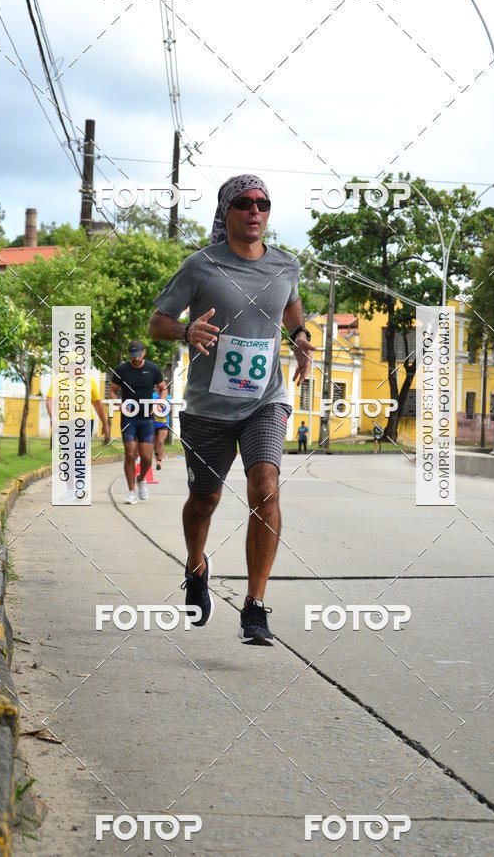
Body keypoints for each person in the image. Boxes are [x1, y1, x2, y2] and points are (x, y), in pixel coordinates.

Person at [149, 174, 314, 645]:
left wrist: (300, 337)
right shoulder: (200, 266)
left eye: (263, 203)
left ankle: (255, 606)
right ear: (227, 212)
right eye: (245, 203)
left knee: (266, 486)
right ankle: (196, 565)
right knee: (206, 500)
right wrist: (185, 333)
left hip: (266, 400)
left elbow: (291, 309)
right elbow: (158, 321)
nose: (256, 210)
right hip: (208, 408)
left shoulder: (285, 266)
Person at [108, 340, 165, 504]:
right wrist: (118, 403)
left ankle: (141, 479)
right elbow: (112, 391)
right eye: (133, 356)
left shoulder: (153, 369)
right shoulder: (121, 370)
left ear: (144, 352)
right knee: (130, 453)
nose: (136, 359)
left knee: (147, 457)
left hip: (147, 418)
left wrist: (160, 403)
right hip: (129, 417)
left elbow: (163, 388)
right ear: (129, 355)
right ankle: (131, 491)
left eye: (139, 355)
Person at [46, 375, 110, 442]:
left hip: (85, 422)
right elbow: (50, 399)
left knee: (81, 449)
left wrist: (105, 424)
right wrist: (53, 417)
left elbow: (97, 404)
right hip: (64, 422)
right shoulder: (58, 380)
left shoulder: (90, 381)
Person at [152, 390, 171, 471]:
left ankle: (159, 461)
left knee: (161, 441)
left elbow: (170, 409)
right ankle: (157, 458)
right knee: (155, 444)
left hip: (163, 423)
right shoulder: (153, 396)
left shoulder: (169, 398)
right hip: (153, 424)